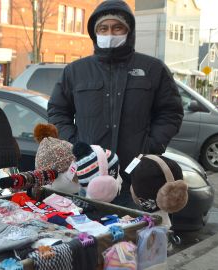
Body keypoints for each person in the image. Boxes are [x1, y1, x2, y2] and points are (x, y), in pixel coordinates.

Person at [47, 0, 184, 208]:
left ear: (128, 31)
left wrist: (152, 146)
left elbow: (170, 112)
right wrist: (75, 144)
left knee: (132, 235)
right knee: (89, 236)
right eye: (103, 28)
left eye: (117, 27)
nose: (110, 33)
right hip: (88, 178)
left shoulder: (153, 69)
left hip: (135, 179)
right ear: (95, 33)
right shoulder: (75, 71)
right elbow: (58, 111)